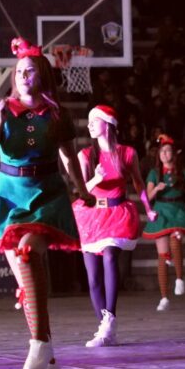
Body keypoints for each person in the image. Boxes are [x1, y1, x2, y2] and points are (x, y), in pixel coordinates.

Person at [0, 37, 92, 369]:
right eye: (19, 72)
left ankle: (39, 345)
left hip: (45, 194)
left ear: (42, 75)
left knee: (28, 253)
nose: (24, 76)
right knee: (27, 283)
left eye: (30, 71)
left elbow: (69, 157)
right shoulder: (0, 110)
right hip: (9, 195)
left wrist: (82, 189)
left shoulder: (56, 114)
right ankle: (49, 363)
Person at [72, 104, 153, 347]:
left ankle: (109, 319)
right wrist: (96, 178)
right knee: (93, 279)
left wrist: (148, 208)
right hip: (91, 214)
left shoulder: (127, 153)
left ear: (107, 124)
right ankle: (105, 328)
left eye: (94, 120)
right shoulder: (86, 155)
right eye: (88, 121)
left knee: (109, 257)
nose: (89, 125)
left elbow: (138, 183)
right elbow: (80, 190)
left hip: (117, 213)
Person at [142, 135, 185, 311]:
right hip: (161, 210)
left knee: (176, 239)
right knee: (162, 254)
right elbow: (147, 197)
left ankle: (180, 278)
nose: (165, 154)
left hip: (178, 209)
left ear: (174, 154)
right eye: (162, 151)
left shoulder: (183, 172)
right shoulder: (154, 173)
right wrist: (156, 189)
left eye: (168, 151)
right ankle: (164, 297)